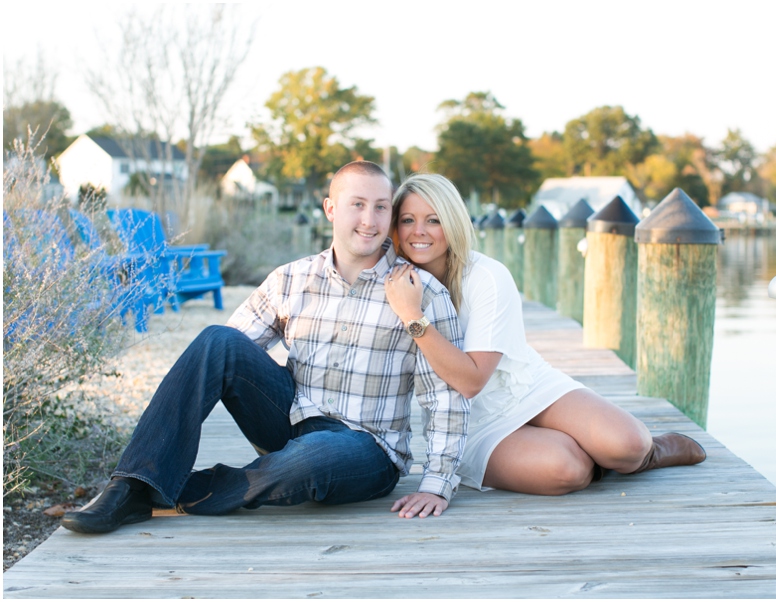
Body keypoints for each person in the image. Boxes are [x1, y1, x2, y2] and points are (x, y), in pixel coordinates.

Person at [62, 161, 469, 534]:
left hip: (367, 448)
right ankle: (133, 484)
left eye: (381, 207)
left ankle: (178, 490)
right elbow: (226, 358)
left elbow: (445, 397)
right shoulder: (290, 278)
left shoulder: (420, 293)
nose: (369, 219)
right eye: (356, 204)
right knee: (217, 340)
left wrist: (437, 483)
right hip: (290, 420)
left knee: (311, 457)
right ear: (330, 209)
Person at [384, 173, 706, 497]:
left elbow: (472, 379)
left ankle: (648, 453)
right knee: (567, 470)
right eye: (408, 220)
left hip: (525, 388)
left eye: (434, 220)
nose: (418, 231)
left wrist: (413, 317)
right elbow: (466, 393)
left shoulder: (486, 277)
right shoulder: (393, 285)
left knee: (629, 443)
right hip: (471, 425)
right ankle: (591, 456)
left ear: (452, 223)